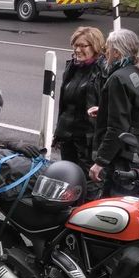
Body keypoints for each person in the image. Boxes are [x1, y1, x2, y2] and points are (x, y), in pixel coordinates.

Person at [90, 29, 139, 198]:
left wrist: (100, 162)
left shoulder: (118, 78)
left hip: (126, 157)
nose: (105, 52)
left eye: (108, 48)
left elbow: (117, 129)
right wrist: (105, 109)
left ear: (116, 52)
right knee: (133, 205)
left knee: (115, 212)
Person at [54, 26, 105, 176]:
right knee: (68, 178)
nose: (77, 50)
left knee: (87, 181)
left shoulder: (103, 71)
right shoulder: (72, 67)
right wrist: (59, 133)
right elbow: (64, 104)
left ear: (95, 46)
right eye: (75, 45)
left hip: (87, 141)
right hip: (67, 137)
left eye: (82, 46)